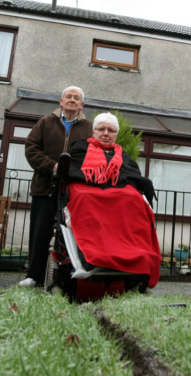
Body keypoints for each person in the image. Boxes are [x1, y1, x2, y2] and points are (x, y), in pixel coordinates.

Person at [64, 112, 161, 288]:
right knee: (86, 197)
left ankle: (137, 255)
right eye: (101, 129)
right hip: (86, 190)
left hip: (116, 191)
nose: (106, 133)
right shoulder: (80, 148)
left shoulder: (122, 155)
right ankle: (93, 254)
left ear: (116, 135)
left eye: (110, 130)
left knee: (134, 199)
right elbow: (72, 172)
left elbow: (132, 175)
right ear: (94, 132)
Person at [19, 86, 92, 287]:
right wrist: (53, 167)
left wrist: (73, 171)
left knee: (70, 235)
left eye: (76, 98)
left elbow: (91, 158)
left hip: (73, 192)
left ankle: (68, 278)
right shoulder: (45, 122)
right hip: (44, 187)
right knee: (39, 233)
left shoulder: (89, 128)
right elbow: (31, 149)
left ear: (82, 104)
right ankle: (33, 276)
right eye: (68, 97)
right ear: (61, 101)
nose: (72, 100)